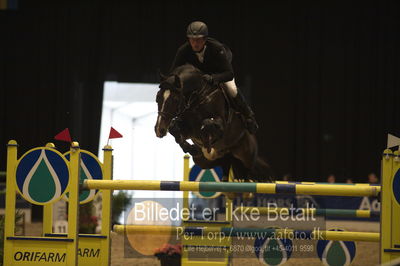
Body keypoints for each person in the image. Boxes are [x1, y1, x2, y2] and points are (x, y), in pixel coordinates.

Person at [169, 21, 258, 133]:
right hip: (200, 78)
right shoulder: (183, 50)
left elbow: (229, 74)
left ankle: (248, 115)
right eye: (192, 40)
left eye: (198, 40)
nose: (195, 43)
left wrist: (214, 78)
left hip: (219, 72)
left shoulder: (217, 48)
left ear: (205, 39)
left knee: (232, 89)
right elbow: (174, 72)